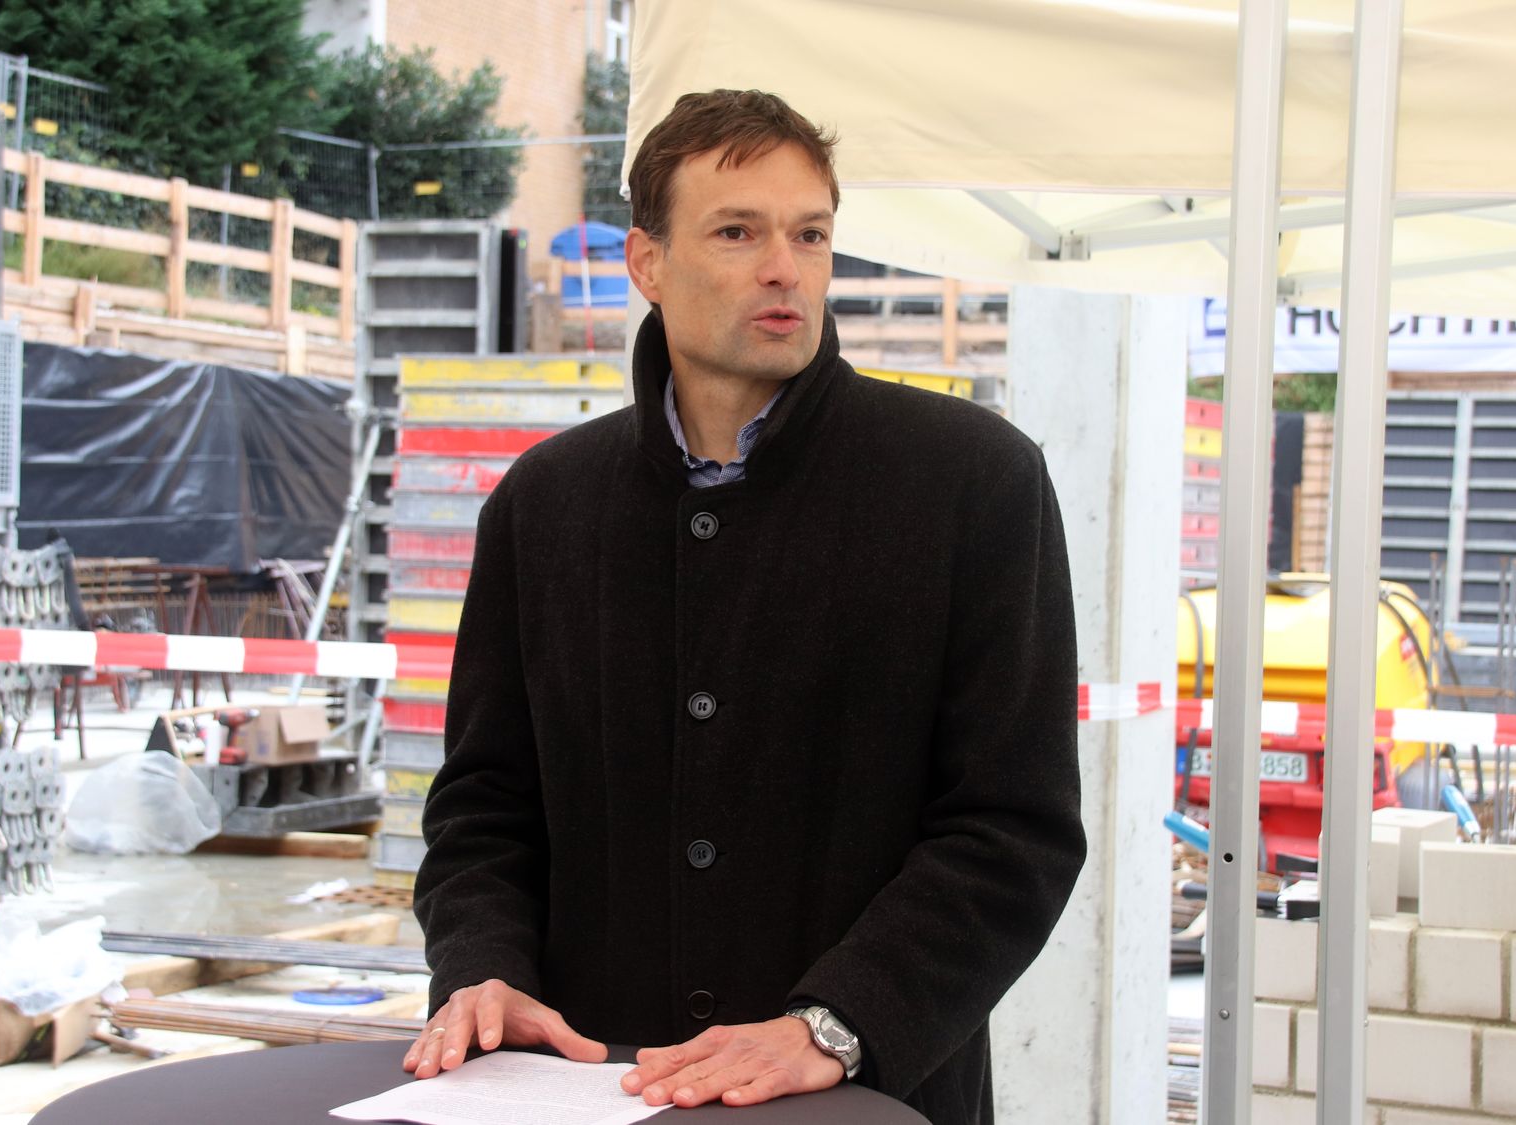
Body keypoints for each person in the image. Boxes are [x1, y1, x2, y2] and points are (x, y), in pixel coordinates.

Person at [406, 88, 1084, 1125]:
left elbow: (1013, 826)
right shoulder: (543, 505)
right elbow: (484, 804)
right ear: (646, 263)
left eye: (809, 234)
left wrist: (836, 1023)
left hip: (863, 1100)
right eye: (737, 232)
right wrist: (481, 967)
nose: (784, 268)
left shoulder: (973, 482)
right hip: (595, 1088)